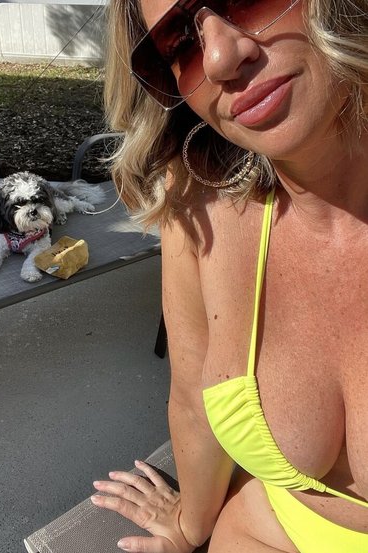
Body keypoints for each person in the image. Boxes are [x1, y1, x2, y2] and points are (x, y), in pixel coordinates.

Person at [89, 1, 368, 551]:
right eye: (179, 43)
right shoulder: (198, 200)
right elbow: (193, 397)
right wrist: (189, 525)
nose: (218, 58)